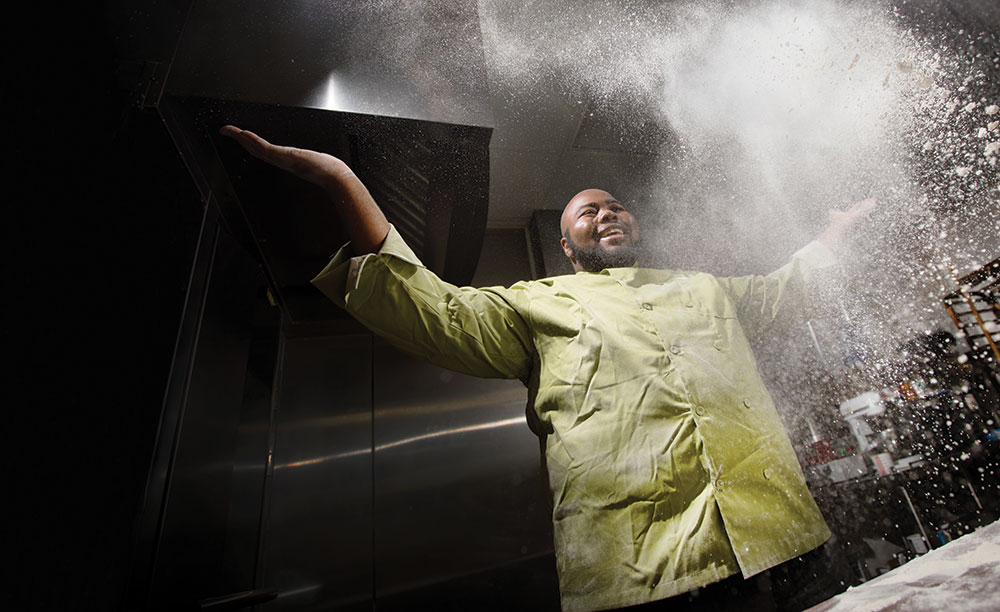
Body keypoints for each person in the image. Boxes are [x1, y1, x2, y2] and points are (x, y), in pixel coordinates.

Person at [219, 125, 876, 612]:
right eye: (586, 213)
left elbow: (789, 289)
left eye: (614, 205)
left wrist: (836, 234)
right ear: (567, 248)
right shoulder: (537, 303)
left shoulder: (703, 289)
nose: (605, 213)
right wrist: (342, 178)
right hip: (642, 575)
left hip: (779, 540)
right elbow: (434, 311)